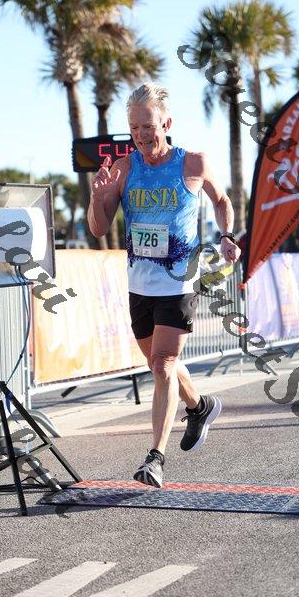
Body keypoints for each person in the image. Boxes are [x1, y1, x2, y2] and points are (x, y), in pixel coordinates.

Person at [87, 82, 241, 488]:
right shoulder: (124, 169)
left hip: (179, 282)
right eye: (134, 127)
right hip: (140, 285)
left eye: (148, 126)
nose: (141, 135)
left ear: (166, 124)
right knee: (159, 366)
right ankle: (200, 406)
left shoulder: (193, 163)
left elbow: (221, 200)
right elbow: (99, 228)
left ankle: (155, 458)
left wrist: (227, 235)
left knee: (163, 364)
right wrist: (96, 198)